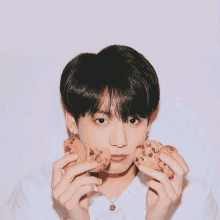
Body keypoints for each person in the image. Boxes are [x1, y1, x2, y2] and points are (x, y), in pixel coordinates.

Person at [1, 45, 219, 220]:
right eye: (102, 120)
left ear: (149, 123)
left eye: (132, 120)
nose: (120, 141)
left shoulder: (192, 199)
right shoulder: (35, 194)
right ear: (72, 122)